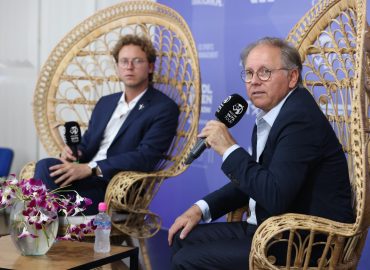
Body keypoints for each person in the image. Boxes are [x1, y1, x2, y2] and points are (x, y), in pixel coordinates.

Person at [168, 37, 354, 269]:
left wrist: (228, 148)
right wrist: (201, 208)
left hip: (301, 242)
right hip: (267, 228)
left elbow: (275, 195)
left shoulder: (300, 120)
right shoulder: (271, 114)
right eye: (249, 73)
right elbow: (256, 178)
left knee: (187, 260)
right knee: (181, 238)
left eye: (265, 72)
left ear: (292, 77)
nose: (254, 81)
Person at [34, 34, 179, 215]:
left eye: (137, 61)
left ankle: (43, 221)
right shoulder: (106, 103)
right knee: (45, 166)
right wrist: (75, 152)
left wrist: (91, 168)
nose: (129, 67)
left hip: (114, 186)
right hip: (83, 176)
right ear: (117, 67)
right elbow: (87, 145)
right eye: (124, 61)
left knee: (46, 196)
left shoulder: (163, 108)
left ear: (150, 67)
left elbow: (145, 156)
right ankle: (49, 217)